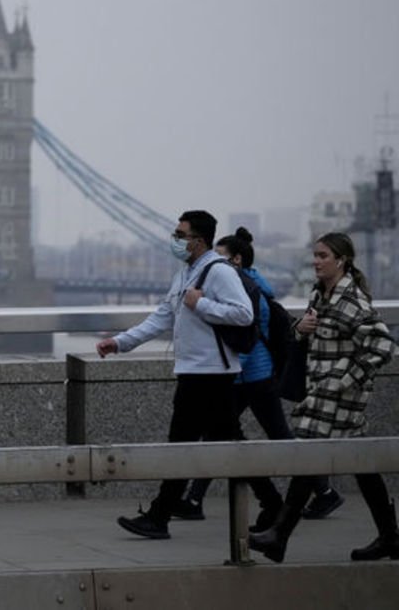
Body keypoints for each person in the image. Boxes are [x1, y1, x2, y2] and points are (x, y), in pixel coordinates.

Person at [97, 210, 254, 540]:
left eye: (180, 235)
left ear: (198, 241)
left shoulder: (218, 271)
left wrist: (202, 305)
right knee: (226, 444)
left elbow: (244, 314)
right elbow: (160, 319)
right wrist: (119, 343)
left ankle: (159, 517)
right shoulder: (185, 274)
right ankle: (276, 505)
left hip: (211, 374)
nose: (175, 240)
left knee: (182, 445)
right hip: (194, 372)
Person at [249, 232, 398, 563]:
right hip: (321, 394)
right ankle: (390, 536)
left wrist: (343, 381)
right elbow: (302, 337)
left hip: (339, 399)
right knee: (363, 464)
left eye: (323, 256)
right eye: (314, 255)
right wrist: (300, 328)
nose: (316, 261)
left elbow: (383, 346)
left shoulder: (351, 301)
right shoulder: (321, 295)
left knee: (310, 457)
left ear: (341, 260)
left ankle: (279, 535)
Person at [170, 228, 292, 531]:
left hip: (252, 376)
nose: (215, 263)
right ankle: (193, 501)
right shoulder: (234, 282)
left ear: (237, 259)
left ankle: (314, 492)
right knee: (222, 436)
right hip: (238, 377)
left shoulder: (249, 290)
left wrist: (229, 372)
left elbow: (246, 338)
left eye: (221, 257)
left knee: (270, 436)